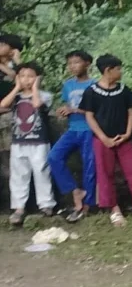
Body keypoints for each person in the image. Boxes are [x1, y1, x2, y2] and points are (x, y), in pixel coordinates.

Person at [80, 54, 132, 226]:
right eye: (118, 69)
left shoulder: (123, 90)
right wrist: (103, 138)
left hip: (123, 139)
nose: (120, 72)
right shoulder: (91, 92)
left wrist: (127, 133)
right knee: (105, 174)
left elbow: (131, 112)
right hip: (102, 140)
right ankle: (114, 209)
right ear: (108, 70)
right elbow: (89, 116)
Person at [1, 62, 56, 225]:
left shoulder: (44, 95)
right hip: (19, 142)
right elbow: (3, 104)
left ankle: (46, 204)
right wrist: (17, 87)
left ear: (38, 79)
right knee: (18, 175)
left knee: (42, 172)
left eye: (31, 76)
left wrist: (35, 88)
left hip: (39, 142)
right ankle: (18, 207)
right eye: (23, 76)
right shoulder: (15, 97)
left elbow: (37, 104)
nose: (26, 79)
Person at [49, 50, 97, 223]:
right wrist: (64, 110)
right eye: (70, 63)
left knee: (89, 166)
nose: (72, 66)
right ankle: (75, 191)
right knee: (54, 157)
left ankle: (87, 205)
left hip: (90, 130)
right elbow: (68, 104)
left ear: (87, 64)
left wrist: (74, 110)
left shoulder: (95, 85)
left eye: (76, 62)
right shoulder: (68, 85)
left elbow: (99, 110)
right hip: (72, 129)